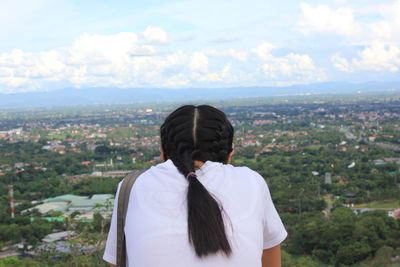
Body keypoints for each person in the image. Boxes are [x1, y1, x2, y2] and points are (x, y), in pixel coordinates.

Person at [103, 105, 287, 267]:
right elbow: (270, 259)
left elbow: (117, 261)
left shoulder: (133, 186)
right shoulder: (251, 181)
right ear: (230, 155)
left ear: (162, 153)